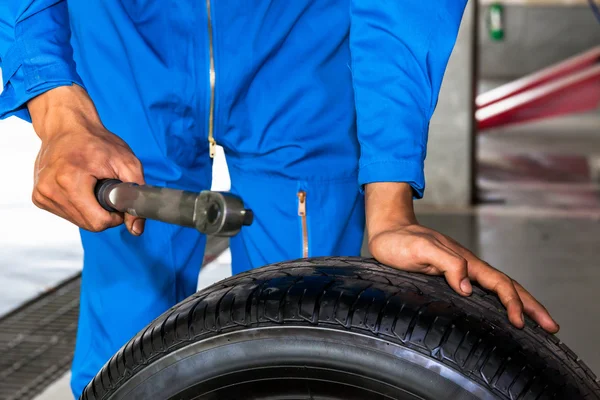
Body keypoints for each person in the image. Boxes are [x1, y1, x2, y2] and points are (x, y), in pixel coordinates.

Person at [0, 1, 559, 398]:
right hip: (125, 38)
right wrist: (60, 114)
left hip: (299, 50)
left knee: (309, 329)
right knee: (124, 342)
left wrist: (388, 205)